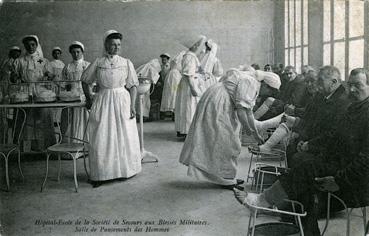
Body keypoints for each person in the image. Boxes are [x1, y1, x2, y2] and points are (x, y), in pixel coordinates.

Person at [234, 68, 369, 236]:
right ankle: (305, 228)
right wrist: (310, 145)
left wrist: (339, 180)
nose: (352, 90)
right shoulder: (354, 109)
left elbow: (365, 162)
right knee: (305, 171)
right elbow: (333, 137)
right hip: (343, 168)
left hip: (358, 184)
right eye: (350, 85)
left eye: (358, 85)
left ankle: (264, 201)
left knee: (305, 170)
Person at [179, 66, 280, 189]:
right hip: (218, 102)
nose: (269, 94)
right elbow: (242, 112)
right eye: (270, 91)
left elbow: (248, 112)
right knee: (226, 139)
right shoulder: (251, 82)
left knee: (227, 140)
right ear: (265, 85)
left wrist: (255, 133)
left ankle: (227, 177)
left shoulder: (254, 85)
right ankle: (224, 178)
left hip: (221, 100)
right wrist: (249, 131)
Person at [81, 30, 141, 188]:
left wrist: (132, 106)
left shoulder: (126, 62)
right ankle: (101, 174)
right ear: (106, 45)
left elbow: (133, 86)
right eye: (113, 44)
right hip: (104, 100)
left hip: (122, 100)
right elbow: (85, 80)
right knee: (102, 135)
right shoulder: (99, 62)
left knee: (124, 135)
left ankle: (123, 171)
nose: (116, 47)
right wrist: (89, 99)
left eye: (119, 45)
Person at [12, 35, 55, 149]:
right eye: (28, 45)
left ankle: (45, 147)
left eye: (33, 45)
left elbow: (51, 76)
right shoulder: (20, 61)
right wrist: (15, 77)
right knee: (24, 117)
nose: (30, 47)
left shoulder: (42, 60)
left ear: (37, 45)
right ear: (24, 46)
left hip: (40, 91)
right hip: (25, 90)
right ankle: (23, 147)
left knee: (42, 116)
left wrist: (49, 75)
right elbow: (13, 78)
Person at [175, 35, 207, 138]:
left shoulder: (191, 56)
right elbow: (188, 74)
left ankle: (184, 129)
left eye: (198, 44)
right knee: (189, 106)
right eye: (196, 44)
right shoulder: (189, 56)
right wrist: (193, 88)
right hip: (189, 84)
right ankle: (187, 131)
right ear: (192, 45)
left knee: (186, 106)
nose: (198, 46)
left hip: (188, 83)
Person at [61, 41, 90, 142]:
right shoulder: (67, 67)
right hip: (71, 97)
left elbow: (92, 82)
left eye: (78, 52)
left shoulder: (87, 65)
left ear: (82, 52)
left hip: (84, 96)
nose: (76, 54)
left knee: (85, 120)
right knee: (71, 120)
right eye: (73, 52)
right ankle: (72, 143)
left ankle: (85, 144)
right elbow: (63, 82)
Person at [160, 51, 186, 119]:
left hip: (172, 78)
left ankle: (174, 111)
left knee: (173, 93)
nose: (163, 60)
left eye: (164, 59)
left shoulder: (172, 64)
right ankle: (173, 111)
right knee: (173, 93)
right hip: (174, 78)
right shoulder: (176, 65)